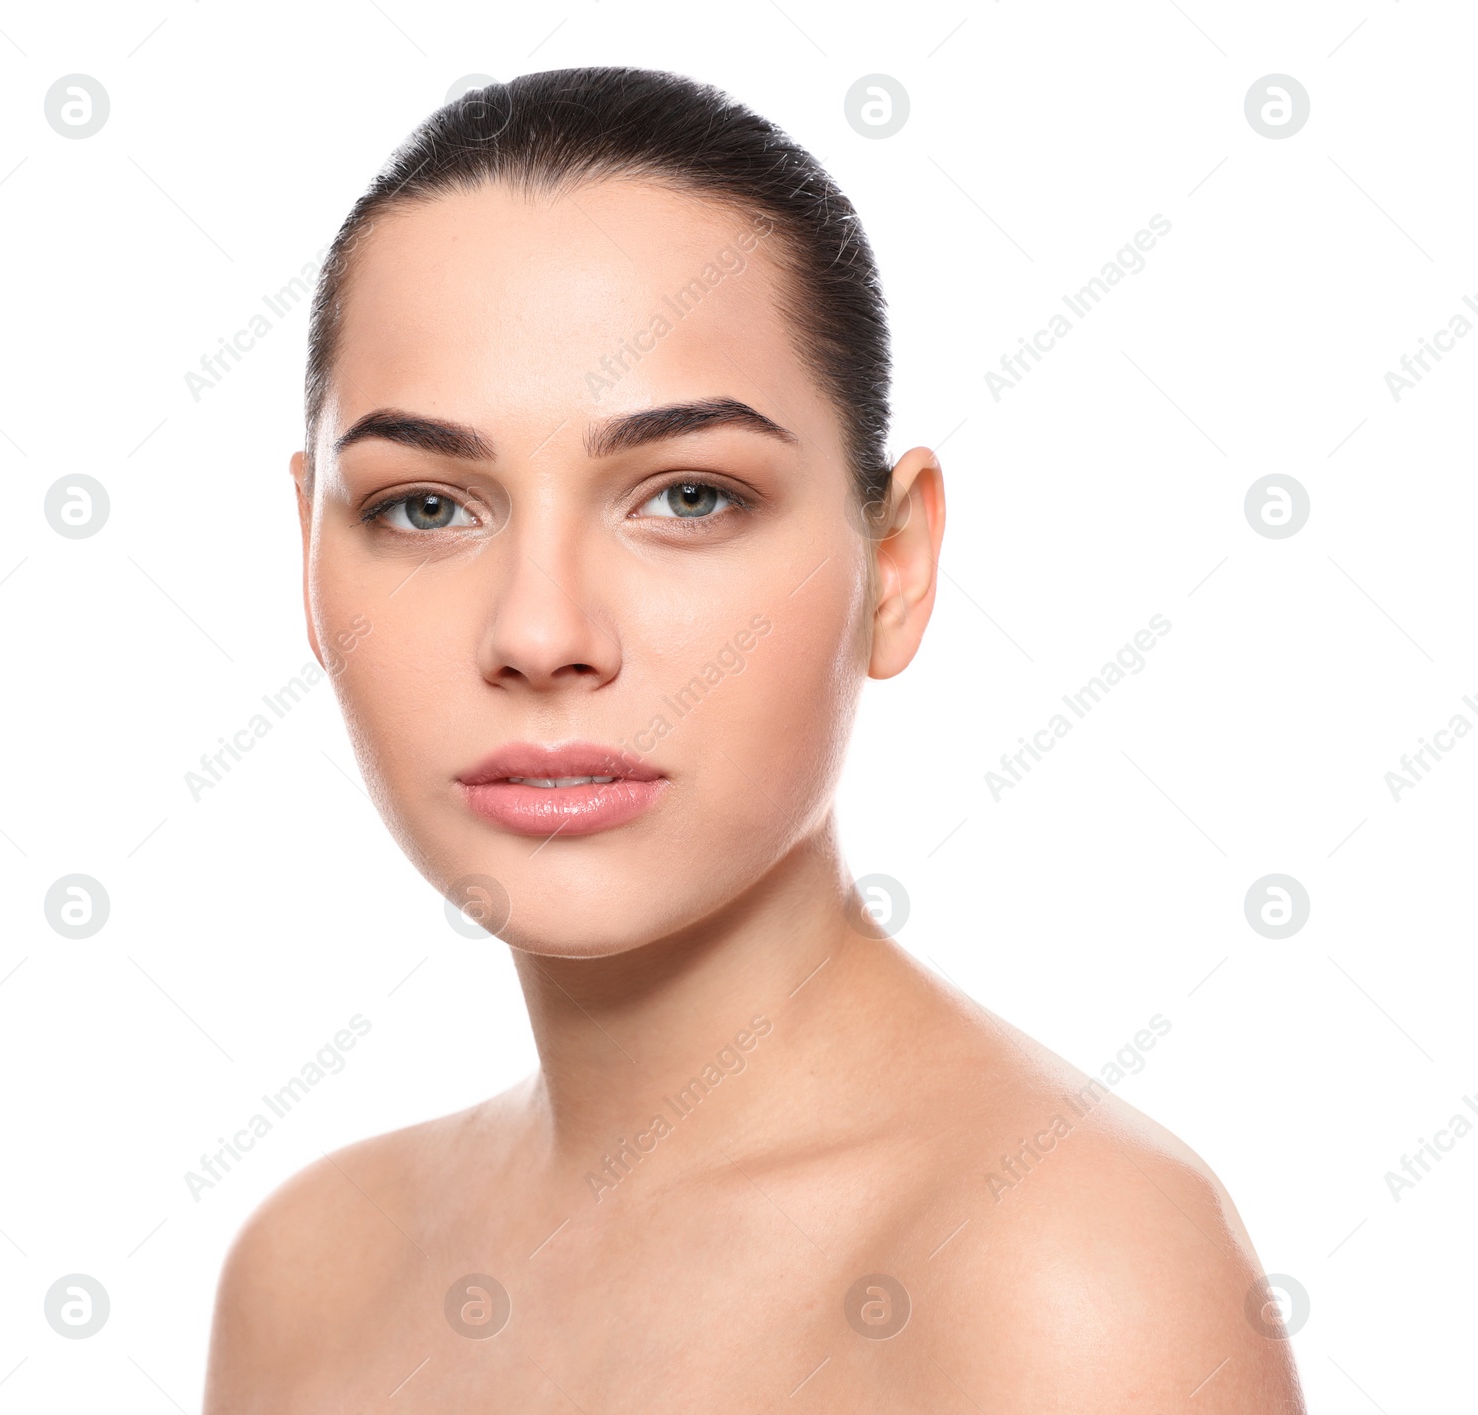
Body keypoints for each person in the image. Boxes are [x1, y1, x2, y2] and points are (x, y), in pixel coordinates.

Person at [203, 66, 1306, 1412]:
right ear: (308, 554)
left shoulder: (1063, 1274)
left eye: (687, 495)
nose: (543, 633)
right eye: (428, 507)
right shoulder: (310, 1274)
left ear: (895, 566)